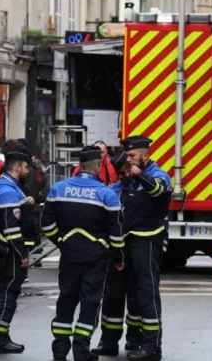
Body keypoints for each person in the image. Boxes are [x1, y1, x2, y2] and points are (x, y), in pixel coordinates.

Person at [40, 146, 124, 361]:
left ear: (80, 166)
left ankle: (59, 351)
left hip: (69, 256)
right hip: (95, 258)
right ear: (97, 166)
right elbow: (116, 232)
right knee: (90, 302)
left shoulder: (58, 189)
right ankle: (81, 349)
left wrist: (60, 240)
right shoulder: (106, 194)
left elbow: (45, 224)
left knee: (66, 300)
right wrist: (117, 257)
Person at [120, 135, 172, 361]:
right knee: (132, 292)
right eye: (127, 155)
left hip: (148, 241)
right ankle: (134, 338)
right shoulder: (130, 178)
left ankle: (152, 346)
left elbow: (158, 190)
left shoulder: (159, 175)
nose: (128, 159)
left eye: (132, 156)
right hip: (129, 240)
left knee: (147, 291)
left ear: (145, 155)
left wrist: (140, 175)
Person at [91, 149, 143, 357]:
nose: (123, 176)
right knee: (112, 297)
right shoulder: (113, 191)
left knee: (137, 297)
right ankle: (109, 341)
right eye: (119, 173)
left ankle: (134, 339)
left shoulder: (144, 187)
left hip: (137, 249)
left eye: (125, 171)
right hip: (116, 252)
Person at [0, 143, 31, 354]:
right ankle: (0, 339)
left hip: (2, 248)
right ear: (18, 166)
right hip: (11, 253)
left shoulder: (1, 186)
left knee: (5, 293)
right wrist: (22, 255)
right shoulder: (8, 191)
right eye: (26, 167)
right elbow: (12, 228)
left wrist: (25, 203)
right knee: (7, 295)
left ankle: (1, 335)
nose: (28, 171)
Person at [15, 138, 47, 268]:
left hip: (30, 202)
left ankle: (32, 255)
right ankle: (35, 255)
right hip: (34, 202)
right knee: (34, 230)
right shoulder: (34, 163)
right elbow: (43, 180)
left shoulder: (28, 165)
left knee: (30, 230)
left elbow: (41, 180)